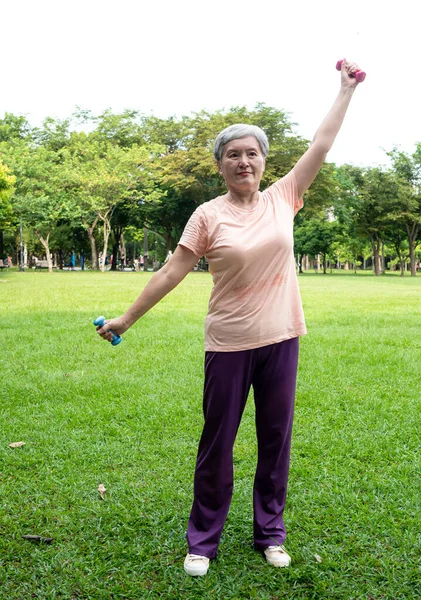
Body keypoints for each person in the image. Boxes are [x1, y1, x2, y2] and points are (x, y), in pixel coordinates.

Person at [96, 59, 363, 576]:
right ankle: (203, 540)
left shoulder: (285, 197)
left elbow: (322, 145)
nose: (244, 162)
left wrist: (344, 90)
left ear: (264, 161)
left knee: (275, 438)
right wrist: (126, 320)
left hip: (282, 338)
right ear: (220, 164)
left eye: (252, 154)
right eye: (233, 155)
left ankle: (271, 533)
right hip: (228, 343)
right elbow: (173, 271)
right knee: (217, 441)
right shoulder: (207, 215)